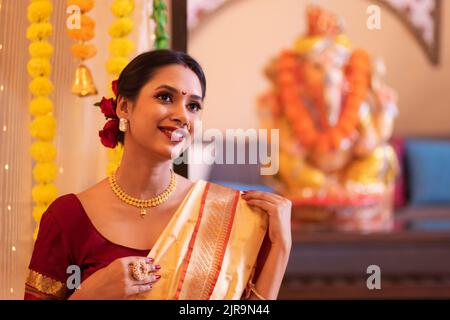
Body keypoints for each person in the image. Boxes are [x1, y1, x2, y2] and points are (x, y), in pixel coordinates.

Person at [24, 49, 292, 300]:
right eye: (165, 97)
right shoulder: (69, 217)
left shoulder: (225, 212)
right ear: (124, 107)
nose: (182, 115)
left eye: (193, 106)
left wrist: (281, 247)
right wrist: (90, 294)